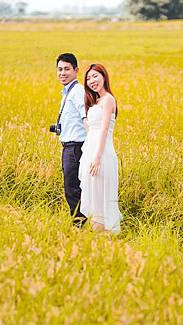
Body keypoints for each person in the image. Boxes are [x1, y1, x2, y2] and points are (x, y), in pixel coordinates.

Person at [79, 64, 122, 233]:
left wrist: (97, 157)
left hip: (101, 153)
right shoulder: (94, 102)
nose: (91, 81)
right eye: (88, 78)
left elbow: (104, 130)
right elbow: (91, 129)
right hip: (91, 150)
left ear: (104, 76)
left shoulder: (109, 99)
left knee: (101, 194)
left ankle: (105, 233)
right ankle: (97, 233)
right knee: (94, 193)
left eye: (95, 76)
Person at [54, 53, 87, 225]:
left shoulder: (77, 92)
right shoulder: (68, 91)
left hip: (75, 148)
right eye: (60, 69)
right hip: (70, 147)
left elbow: (85, 117)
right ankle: (81, 224)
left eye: (67, 69)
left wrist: (91, 145)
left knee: (72, 189)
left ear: (76, 70)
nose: (62, 73)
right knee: (73, 188)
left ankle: (79, 226)